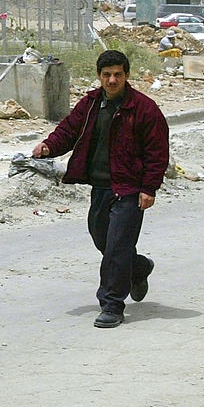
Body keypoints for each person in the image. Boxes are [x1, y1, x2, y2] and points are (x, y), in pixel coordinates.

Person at [32, 49, 169, 329]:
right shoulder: (91, 104)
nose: (112, 80)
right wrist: (48, 146)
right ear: (99, 76)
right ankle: (139, 267)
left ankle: (112, 305)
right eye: (106, 75)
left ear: (127, 75)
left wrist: (149, 188)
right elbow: (68, 130)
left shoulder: (144, 108)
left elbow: (157, 152)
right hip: (101, 187)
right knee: (102, 239)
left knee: (117, 248)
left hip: (129, 189)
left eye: (118, 74)